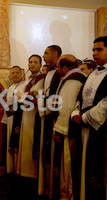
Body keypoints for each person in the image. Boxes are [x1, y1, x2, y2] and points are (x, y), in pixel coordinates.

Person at [71, 36, 107, 200]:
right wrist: (75, 113)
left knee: (97, 171)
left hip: (100, 130)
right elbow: (81, 97)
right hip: (84, 128)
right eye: (93, 50)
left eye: (99, 49)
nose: (94, 53)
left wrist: (85, 117)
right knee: (83, 168)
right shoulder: (92, 74)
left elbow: (106, 103)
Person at [51, 55, 86, 200]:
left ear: (64, 68)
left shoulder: (72, 80)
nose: (57, 71)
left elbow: (65, 107)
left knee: (67, 167)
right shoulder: (80, 76)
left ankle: (66, 195)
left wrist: (59, 130)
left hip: (67, 131)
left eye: (58, 67)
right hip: (73, 127)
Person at [38, 45, 62, 197]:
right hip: (46, 114)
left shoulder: (60, 72)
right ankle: (46, 188)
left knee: (53, 154)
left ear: (56, 54)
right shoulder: (48, 72)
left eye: (46, 53)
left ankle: (53, 189)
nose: (44, 55)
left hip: (54, 117)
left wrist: (47, 109)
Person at [17, 54, 45, 178]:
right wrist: (26, 94)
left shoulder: (42, 78)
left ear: (40, 64)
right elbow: (19, 95)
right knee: (25, 140)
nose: (32, 64)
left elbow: (35, 95)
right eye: (30, 62)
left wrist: (25, 95)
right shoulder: (28, 79)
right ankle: (24, 170)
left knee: (32, 140)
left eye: (35, 62)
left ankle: (32, 172)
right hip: (26, 112)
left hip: (35, 113)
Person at [5, 66, 26, 174]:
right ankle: (11, 168)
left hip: (20, 117)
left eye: (17, 72)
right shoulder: (10, 87)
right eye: (13, 73)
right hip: (10, 118)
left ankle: (19, 168)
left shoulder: (25, 85)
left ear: (21, 74)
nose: (15, 74)